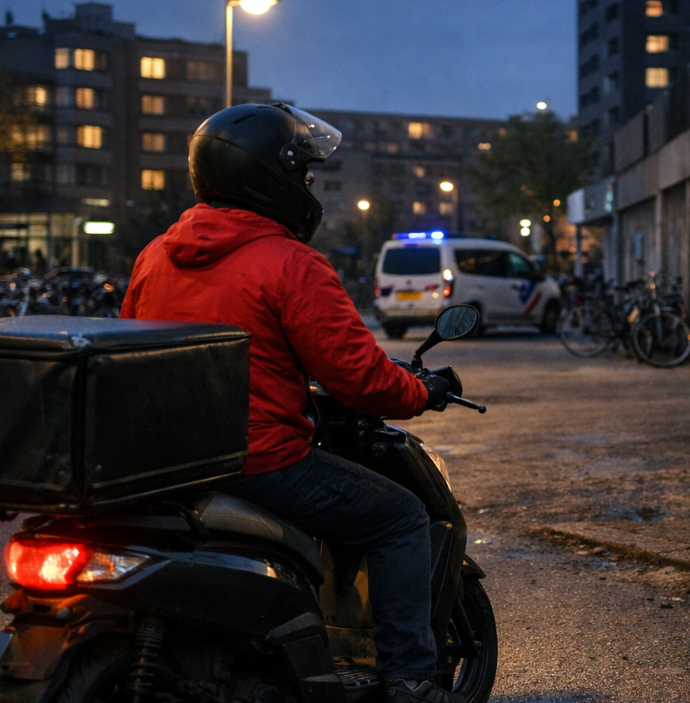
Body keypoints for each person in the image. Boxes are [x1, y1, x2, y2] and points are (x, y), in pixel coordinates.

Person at [122, 103, 464, 703]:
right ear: (271, 179)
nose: (307, 185)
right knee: (401, 517)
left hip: (170, 463)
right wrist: (422, 390)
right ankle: (410, 678)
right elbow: (362, 379)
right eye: (303, 173)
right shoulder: (291, 263)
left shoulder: (154, 255)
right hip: (259, 461)